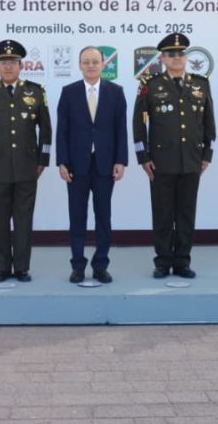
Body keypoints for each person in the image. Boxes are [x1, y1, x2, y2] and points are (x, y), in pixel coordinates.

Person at [132, 33, 216, 279]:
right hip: (161, 161)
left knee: (186, 214)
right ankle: (162, 261)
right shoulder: (150, 84)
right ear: (163, 58)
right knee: (162, 214)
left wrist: (207, 153)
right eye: (171, 54)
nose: (177, 58)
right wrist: (142, 156)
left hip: (191, 159)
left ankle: (182, 262)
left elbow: (208, 121)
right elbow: (138, 124)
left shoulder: (201, 84)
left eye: (180, 54)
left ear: (186, 57)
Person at [0, 40, 51, 283]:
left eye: (13, 63)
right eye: (4, 62)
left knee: (24, 220)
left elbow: (46, 131)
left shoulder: (36, 91)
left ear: (21, 65)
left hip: (28, 167)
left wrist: (42, 161)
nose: (8, 67)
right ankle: (3, 268)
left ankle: (23, 268)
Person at [56, 46, 128, 284]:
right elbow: (62, 130)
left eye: (95, 62)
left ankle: (100, 266)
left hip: (105, 165)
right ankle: (77, 266)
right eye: (86, 62)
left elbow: (121, 130)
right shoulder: (69, 92)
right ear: (79, 65)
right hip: (76, 166)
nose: (91, 65)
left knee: (103, 218)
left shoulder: (116, 92)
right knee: (77, 218)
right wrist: (62, 162)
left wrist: (121, 160)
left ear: (103, 65)